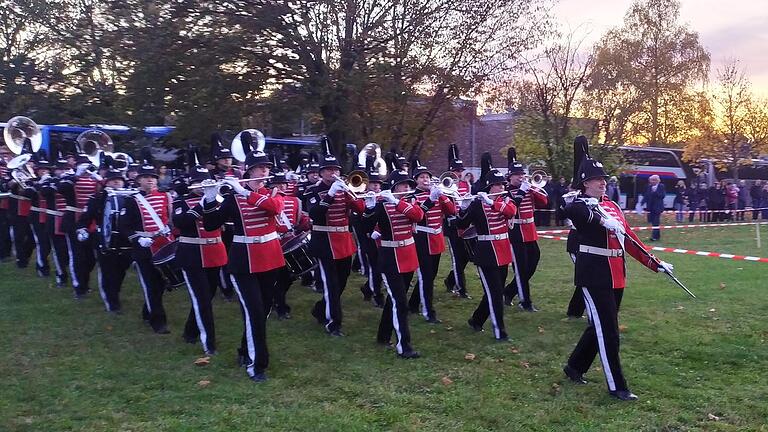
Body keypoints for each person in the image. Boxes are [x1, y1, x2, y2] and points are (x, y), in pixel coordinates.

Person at [562, 139, 673, 402]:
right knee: (609, 330)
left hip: (616, 272)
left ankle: (574, 366)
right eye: (596, 179)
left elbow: (630, 239)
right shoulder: (579, 203)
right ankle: (617, 386)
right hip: (593, 274)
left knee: (599, 325)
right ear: (585, 183)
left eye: (603, 178)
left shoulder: (612, 205)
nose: (602, 182)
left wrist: (654, 263)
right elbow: (573, 211)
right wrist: (602, 219)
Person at [202, 133, 284, 382]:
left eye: (265, 168)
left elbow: (275, 209)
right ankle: (255, 365)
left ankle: (243, 350)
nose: (263, 173)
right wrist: (208, 199)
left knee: (263, 311)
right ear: (247, 171)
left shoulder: (274, 193)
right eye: (258, 169)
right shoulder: (232, 198)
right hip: (243, 262)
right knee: (254, 312)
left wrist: (243, 192)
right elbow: (211, 225)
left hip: (271, 259)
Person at [360, 167, 424, 358]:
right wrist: (370, 207)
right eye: (402, 184)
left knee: (395, 299)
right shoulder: (381, 204)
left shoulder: (409, 202)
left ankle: (382, 335)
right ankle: (404, 346)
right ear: (394, 186)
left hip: (409, 255)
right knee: (400, 303)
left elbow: (419, 216)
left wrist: (396, 201)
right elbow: (365, 227)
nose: (406, 187)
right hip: (390, 258)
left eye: (407, 184)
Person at [305, 138, 364, 337]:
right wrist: (330, 195)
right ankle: (334, 324)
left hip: (344, 242)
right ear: (321, 173)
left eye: (336, 170)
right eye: (329, 170)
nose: (334, 173)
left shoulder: (345, 188)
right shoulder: (312, 190)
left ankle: (320, 309)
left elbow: (361, 210)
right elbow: (315, 214)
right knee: (331, 284)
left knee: (342, 283)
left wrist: (349, 194)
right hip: (324, 242)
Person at [458, 153, 517, 341]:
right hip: (486, 253)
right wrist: (464, 207)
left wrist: (493, 202)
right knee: (494, 294)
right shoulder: (477, 204)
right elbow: (461, 224)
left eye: (503, 185)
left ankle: (476, 320)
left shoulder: (505, 200)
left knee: (496, 291)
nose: (502, 188)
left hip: (503, 250)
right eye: (498, 185)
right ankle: (500, 331)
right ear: (489, 186)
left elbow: (511, 212)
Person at [175, 149, 229, 355]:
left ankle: (190, 331)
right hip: (192, 255)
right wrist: (202, 203)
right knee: (202, 300)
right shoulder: (180, 201)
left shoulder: (218, 201)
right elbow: (180, 222)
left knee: (207, 296)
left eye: (206, 182)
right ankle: (209, 344)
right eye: (199, 182)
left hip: (215, 252)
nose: (203, 186)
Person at [120, 150, 175, 334]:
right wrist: (138, 238)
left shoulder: (167, 197)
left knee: (160, 284)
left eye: (152, 177)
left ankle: (147, 311)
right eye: (145, 177)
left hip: (165, 245)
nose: (150, 180)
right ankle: (158, 322)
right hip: (144, 248)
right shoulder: (132, 200)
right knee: (150, 284)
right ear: (139, 181)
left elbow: (172, 220)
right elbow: (124, 226)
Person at [76, 158, 133, 314]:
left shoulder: (131, 198)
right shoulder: (97, 199)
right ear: (106, 183)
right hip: (104, 239)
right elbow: (84, 219)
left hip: (125, 240)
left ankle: (114, 292)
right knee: (108, 271)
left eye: (119, 181)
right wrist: (82, 230)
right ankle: (112, 303)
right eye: (113, 181)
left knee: (121, 270)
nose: (116, 184)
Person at [408, 158, 456, 323]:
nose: (426, 179)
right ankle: (428, 312)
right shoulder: (412, 196)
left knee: (430, 275)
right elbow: (417, 216)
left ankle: (413, 304)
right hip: (421, 238)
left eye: (427, 176)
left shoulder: (436, 193)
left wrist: (441, 196)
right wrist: (431, 199)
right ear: (416, 180)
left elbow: (452, 211)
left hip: (436, 238)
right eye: (421, 177)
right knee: (426, 276)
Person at [504, 148, 548, 312]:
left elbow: (544, 201)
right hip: (515, 231)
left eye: (522, 174)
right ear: (510, 176)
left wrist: (532, 189)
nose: (521, 177)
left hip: (530, 230)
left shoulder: (529, 189)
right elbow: (511, 207)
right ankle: (525, 302)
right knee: (521, 268)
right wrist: (521, 191)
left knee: (533, 262)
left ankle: (509, 291)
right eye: (517, 175)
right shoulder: (506, 191)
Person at [443, 144, 473, 298]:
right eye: (456, 171)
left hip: (464, 223)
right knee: (457, 257)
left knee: (466, 256)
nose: (459, 173)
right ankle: (461, 289)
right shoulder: (445, 184)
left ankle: (450, 280)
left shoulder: (465, 184)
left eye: (461, 171)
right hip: (452, 225)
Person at [641, 175, 665, 241]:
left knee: (655, 222)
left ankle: (654, 237)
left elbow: (662, 196)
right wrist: (641, 203)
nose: (652, 182)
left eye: (653, 180)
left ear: (657, 180)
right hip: (650, 207)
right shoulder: (649, 186)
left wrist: (655, 192)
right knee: (653, 222)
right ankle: (657, 236)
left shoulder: (661, 186)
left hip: (658, 207)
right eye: (651, 180)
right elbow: (646, 195)